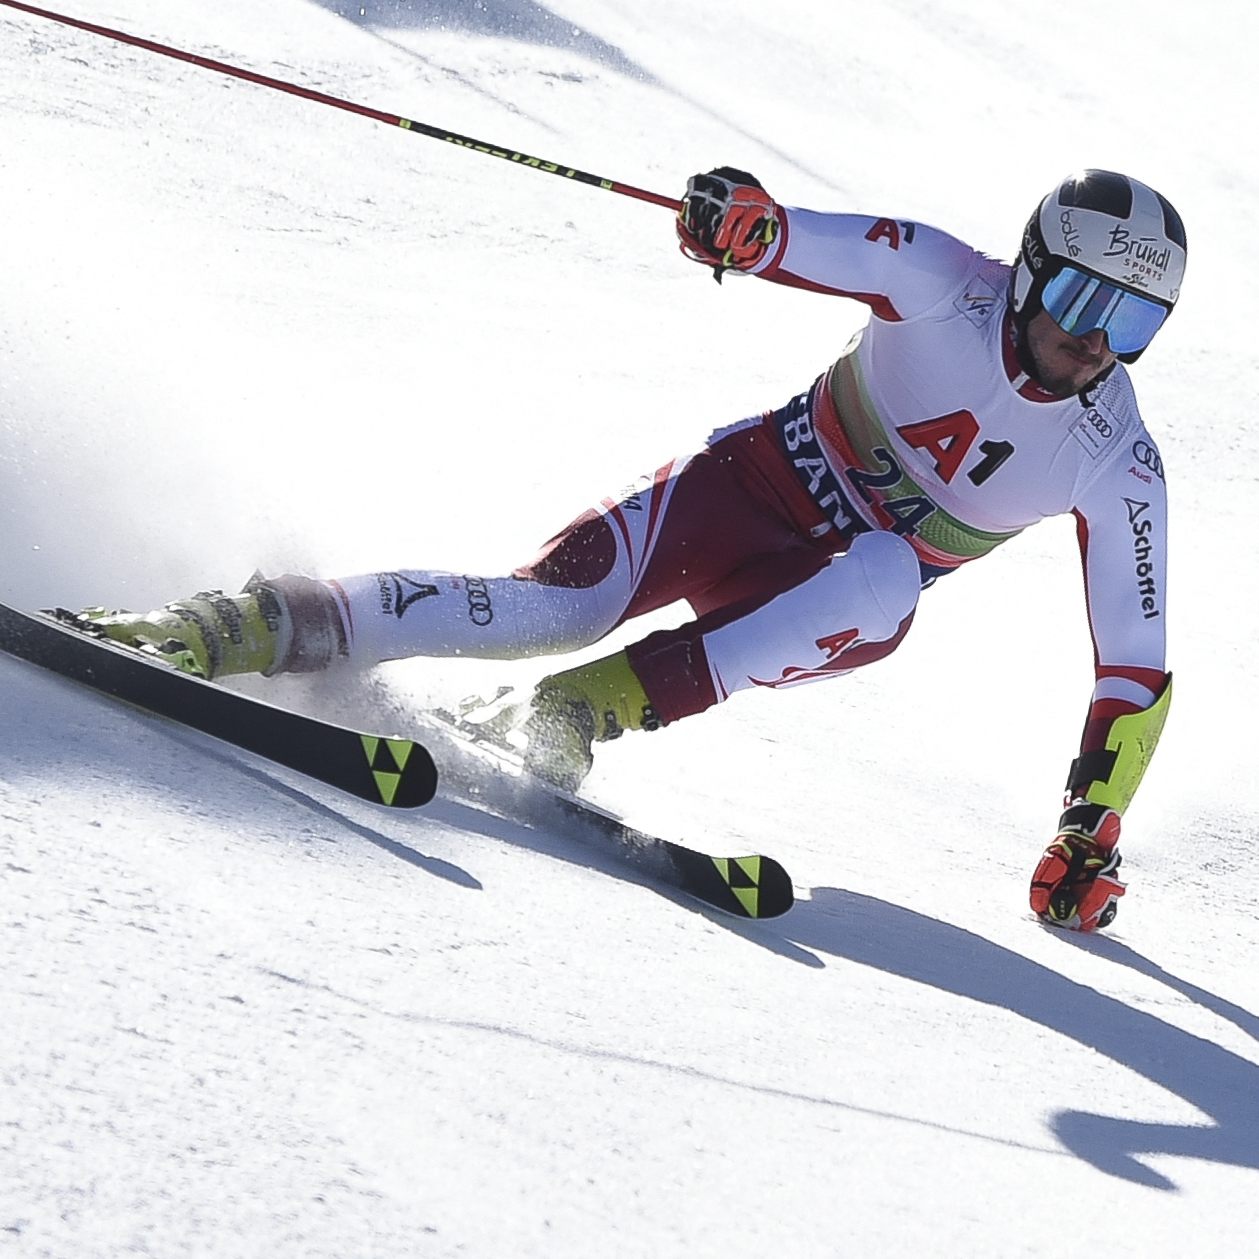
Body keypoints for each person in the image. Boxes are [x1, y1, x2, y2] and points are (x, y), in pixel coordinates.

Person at [81, 168, 1185, 933]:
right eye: (1084, 297)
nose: (1093, 341)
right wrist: (743, 227)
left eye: (1130, 325)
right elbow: (798, 238)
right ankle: (256, 620)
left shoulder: (1114, 457)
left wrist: (1091, 824)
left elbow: (1134, 662)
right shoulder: (945, 278)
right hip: (744, 489)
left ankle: (578, 712)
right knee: (544, 604)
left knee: (888, 568)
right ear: (1034, 266)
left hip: (836, 592)